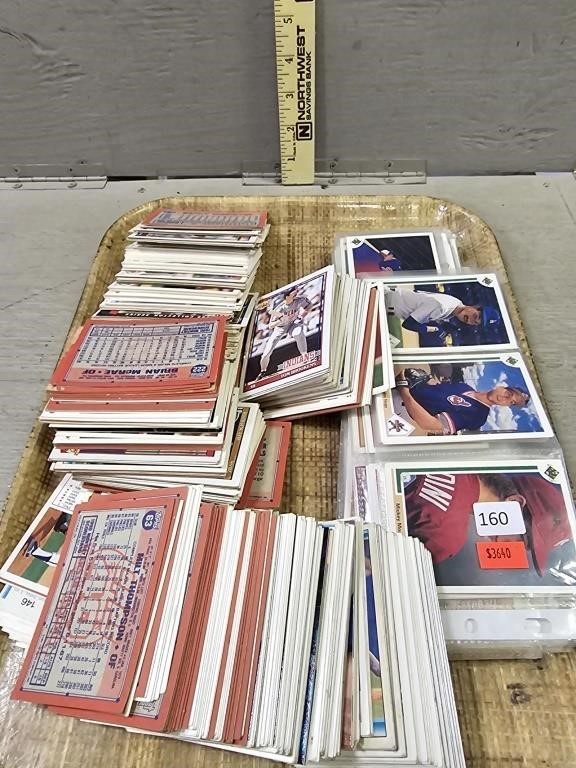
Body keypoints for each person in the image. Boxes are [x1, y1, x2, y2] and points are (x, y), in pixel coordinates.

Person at [403, 470, 573, 573]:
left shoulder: (459, 454)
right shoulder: (446, 537)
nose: (508, 545)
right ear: (514, 502)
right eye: (524, 540)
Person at [394, 367, 530, 435]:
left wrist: (404, 391)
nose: (505, 399)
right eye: (508, 393)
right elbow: (432, 391)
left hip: (401, 415)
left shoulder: (478, 416)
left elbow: (429, 424)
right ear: (501, 387)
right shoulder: (464, 387)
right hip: (400, 391)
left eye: (511, 402)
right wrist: (421, 380)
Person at [384, 285, 501, 334]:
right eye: (476, 316)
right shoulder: (442, 306)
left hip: (390, 301)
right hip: (385, 300)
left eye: (475, 322)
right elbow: (409, 324)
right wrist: (432, 329)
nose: (470, 320)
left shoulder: (456, 304)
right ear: (475, 307)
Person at [254, 287, 312, 380]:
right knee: (266, 353)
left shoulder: (299, 300)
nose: (296, 292)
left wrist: (301, 316)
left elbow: (309, 305)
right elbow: (270, 326)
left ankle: (305, 356)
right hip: (280, 328)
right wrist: (280, 320)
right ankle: (263, 371)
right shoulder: (279, 308)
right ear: (287, 296)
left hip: (293, 323)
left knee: (298, 333)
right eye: (293, 291)